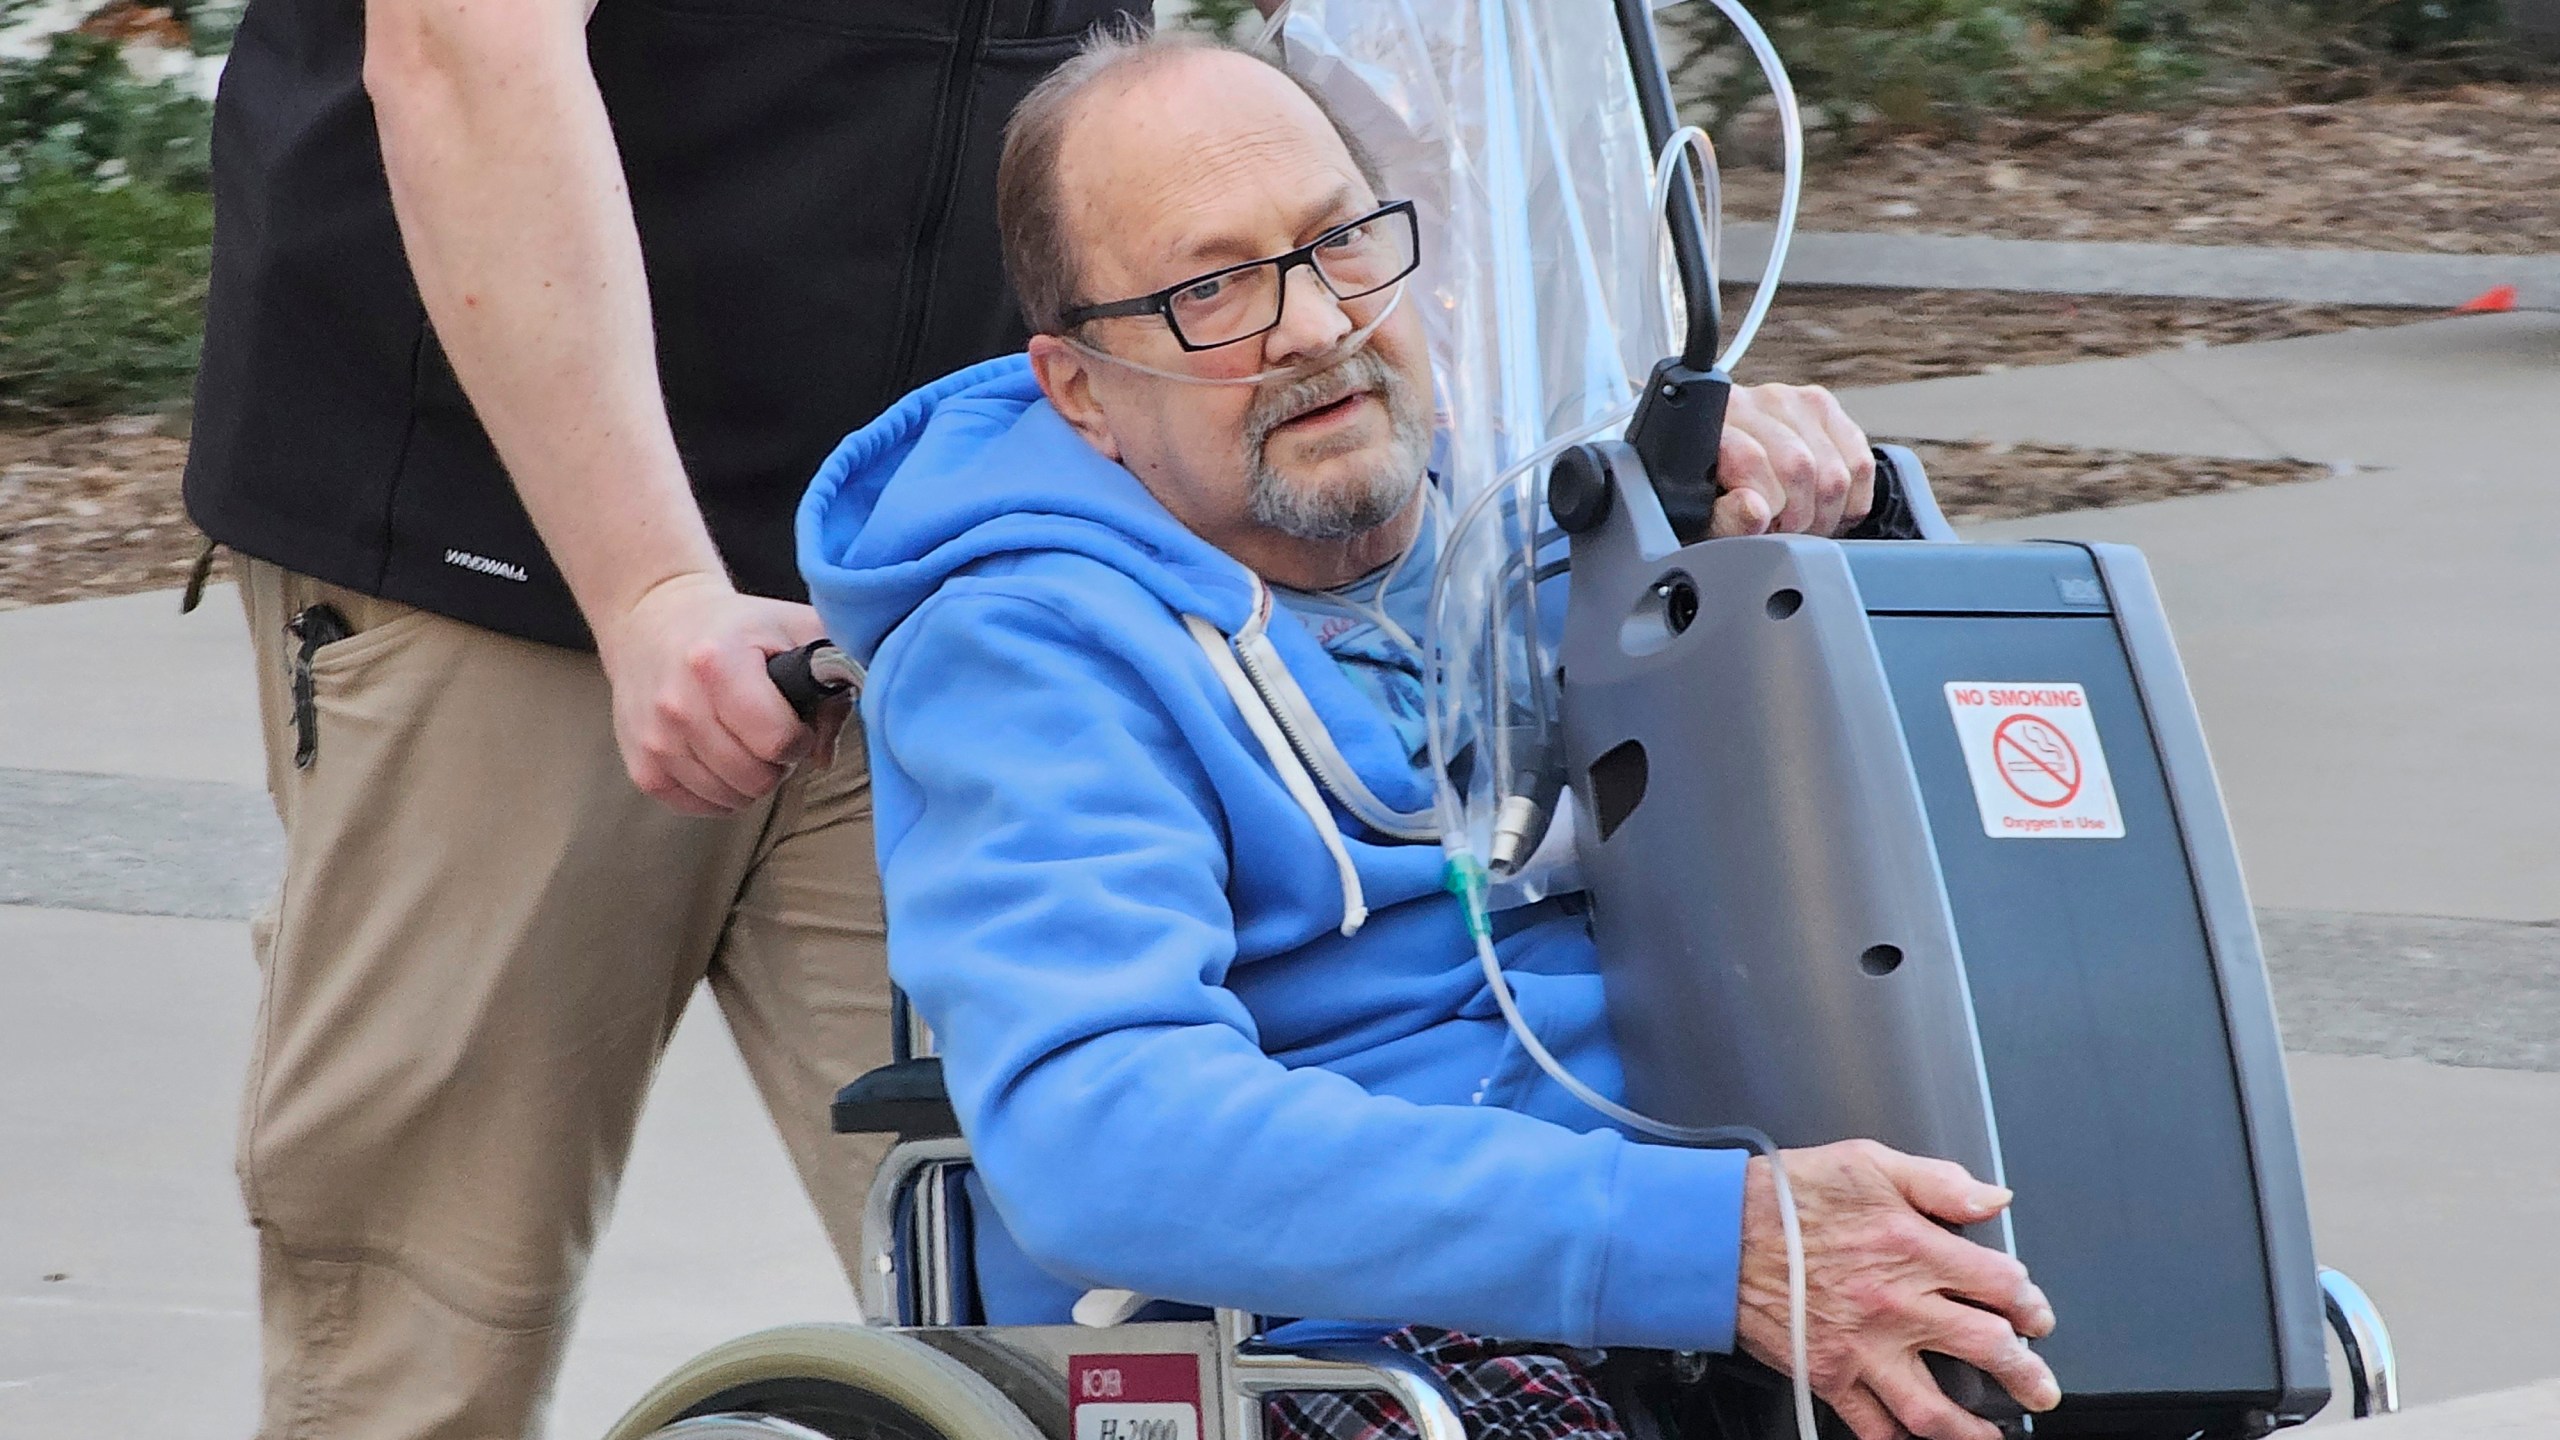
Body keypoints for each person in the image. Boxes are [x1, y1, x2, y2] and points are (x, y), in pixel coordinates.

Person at [802, 30, 2057, 1440]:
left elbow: (1933, 888)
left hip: (1764, 1232)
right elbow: (1106, 1133)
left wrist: (1832, 536)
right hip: (1360, 1336)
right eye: (1215, 288)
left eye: (1341, 241)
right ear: (1079, 386)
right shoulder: (1027, 652)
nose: (1316, 323)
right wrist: (1706, 1247)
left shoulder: (1553, 522)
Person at [180, 1, 1143, 1434]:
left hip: (951, 560)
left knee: (1107, 1322)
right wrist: (648, 590)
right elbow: (462, 45)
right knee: (426, 1345)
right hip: (506, 546)